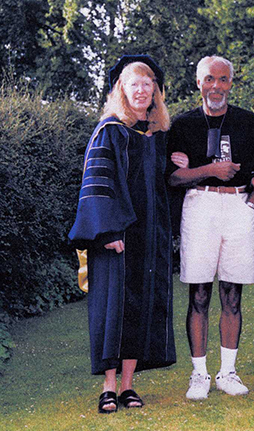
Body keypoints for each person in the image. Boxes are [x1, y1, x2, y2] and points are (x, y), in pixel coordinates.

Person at [69, 55, 176, 413]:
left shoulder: (156, 135)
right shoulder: (109, 131)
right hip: (116, 238)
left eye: (148, 84)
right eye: (135, 84)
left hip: (149, 238)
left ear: (155, 92)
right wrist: (107, 231)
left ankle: (129, 385)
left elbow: (161, 186)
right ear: (122, 90)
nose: (142, 90)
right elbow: (97, 184)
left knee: (140, 308)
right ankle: (109, 387)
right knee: (113, 309)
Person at [167, 56, 254, 400]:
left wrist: (252, 206)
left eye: (223, 79)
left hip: (239, 205)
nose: (216, 86)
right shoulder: (182, 125)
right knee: (198, 294)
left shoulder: (247, 121)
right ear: (199, 83)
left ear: (231, 82)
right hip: (201, 205)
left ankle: (228, 372)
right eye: (209, 79)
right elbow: (173, 176)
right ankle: (200, 374)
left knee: (232, 293)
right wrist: (210, 170)